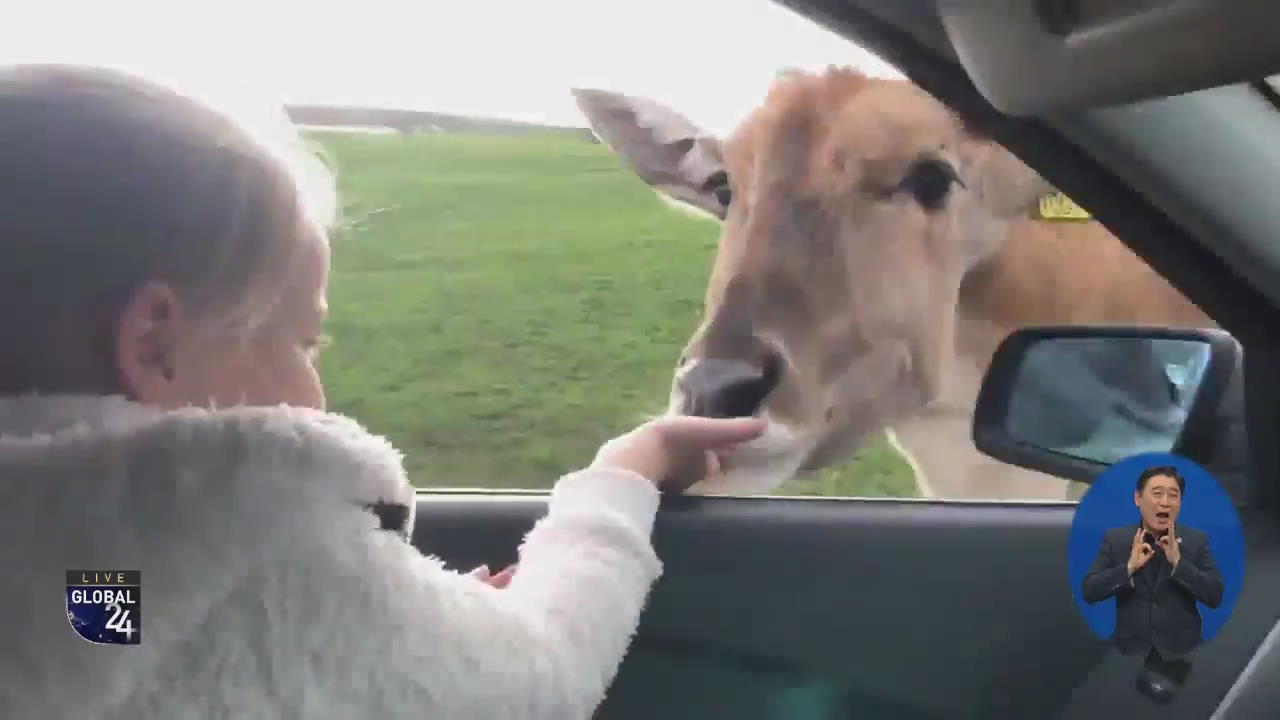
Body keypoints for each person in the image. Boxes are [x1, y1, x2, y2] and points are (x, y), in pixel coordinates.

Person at [0, 64, 767, 719]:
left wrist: (396, 628)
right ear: (153, 344)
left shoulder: (68, 572)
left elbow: (107, 622)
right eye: (302, 341)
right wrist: (622, 477)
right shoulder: (244, 536)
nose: (316, 385)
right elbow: (545, 673)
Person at [1080, 465, 1225, 659]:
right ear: (1138, 499)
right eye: (1157, 494)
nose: (1165, 502)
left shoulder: (1196, 541)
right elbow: (1090, 591)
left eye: (1173, 495)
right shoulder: (1116, 539)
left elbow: (1214, 595)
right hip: (1129, 653)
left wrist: (1178, 563)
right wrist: (1129, 567)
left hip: (1183, 655)